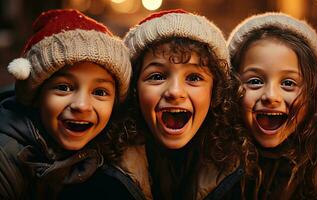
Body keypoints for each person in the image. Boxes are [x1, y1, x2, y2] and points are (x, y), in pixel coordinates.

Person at [93, 9, 247, 200]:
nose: (175, 92)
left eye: (193, 77)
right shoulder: (98, 171)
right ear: (134, 90)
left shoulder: (244, 173)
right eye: (157, 76)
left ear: (215, 91)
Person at [0, 9, 131, 199]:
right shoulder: (7, 158)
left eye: (100, 92)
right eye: (64, 87)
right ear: (37, 96)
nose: (82, 105)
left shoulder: (114, 147)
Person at [227, 12, 317, 199]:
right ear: (231, 86)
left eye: (288, 83)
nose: (271, 96)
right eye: (255, 81)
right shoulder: (214, 144)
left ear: (312, 94)